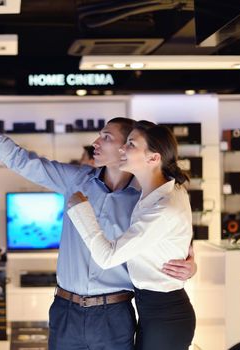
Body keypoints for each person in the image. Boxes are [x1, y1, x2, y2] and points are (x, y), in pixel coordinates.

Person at [0, 87, 196, 349]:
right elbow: (21, 160)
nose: (96, 143)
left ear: (126, 148)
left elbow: (172, 234)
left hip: (115, 314)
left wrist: (191, 265)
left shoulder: (146, 198)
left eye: (106, 137)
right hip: (65, 310)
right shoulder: (76, 179)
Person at [66, 121, 196, 350]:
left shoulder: (162, 207)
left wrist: (80, 210)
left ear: (153, 158)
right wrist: (192, 262)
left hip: (165, 317)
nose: (122, 149)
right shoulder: (163, 190)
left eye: (131, 145)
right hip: (152, 311)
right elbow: (180, 237)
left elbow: (108, 257)